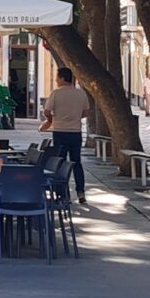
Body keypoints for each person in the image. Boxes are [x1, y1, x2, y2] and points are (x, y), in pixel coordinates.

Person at [40, 68, 92, 201]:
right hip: (76, 132)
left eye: (57, 77)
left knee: (60, 163)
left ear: (63, 78)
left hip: (60, 132)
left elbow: (47, 111)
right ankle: (80, 192)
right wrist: (74, 117)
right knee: (76, 162)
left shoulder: (56, 93)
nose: (56, 80)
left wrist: (51, 120)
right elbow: (86, 112)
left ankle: (63, 194)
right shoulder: (80, 94)